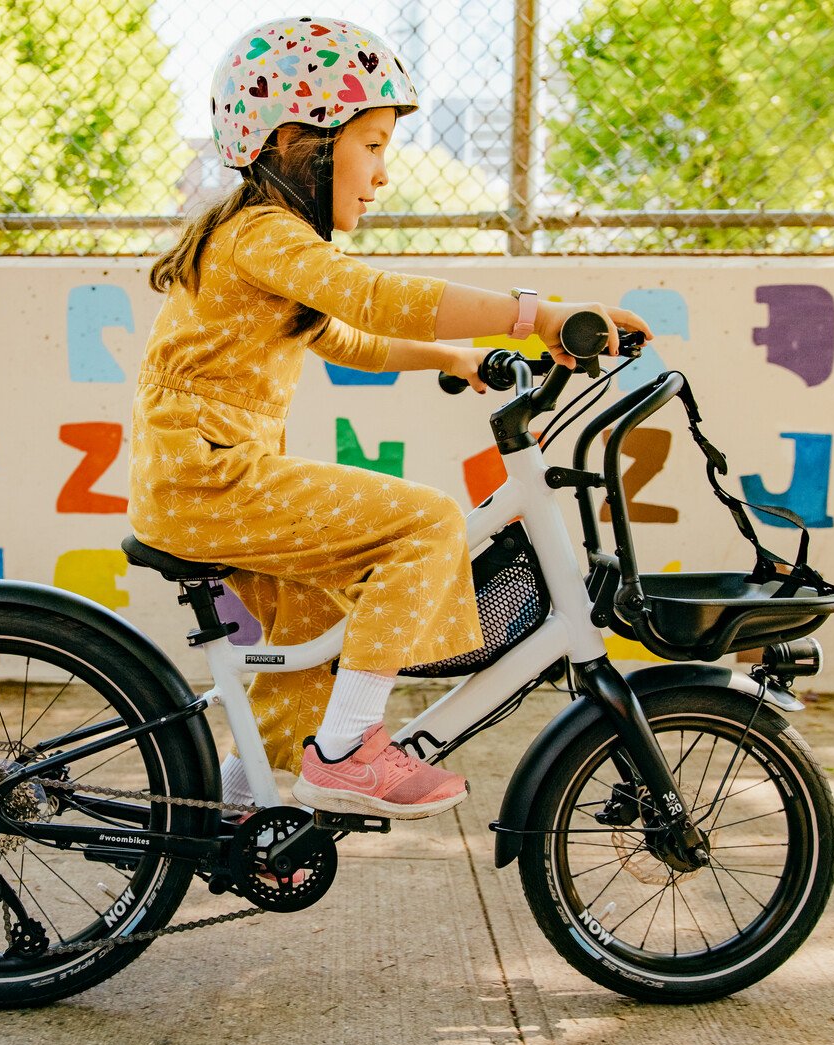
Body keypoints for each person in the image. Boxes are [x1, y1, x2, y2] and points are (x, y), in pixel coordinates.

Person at [129, 16, 654, 820]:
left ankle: (246, 800)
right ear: (298, 141)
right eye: (371, 144)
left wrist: (453, 357)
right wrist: (535, 314)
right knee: (424, 524)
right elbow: (369, 296)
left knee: (312, 622)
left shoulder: (261, 241)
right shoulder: (264, 232)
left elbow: (342, 335)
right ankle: (346, 753)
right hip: (212, 479)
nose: (382, 172)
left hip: (207, 477)